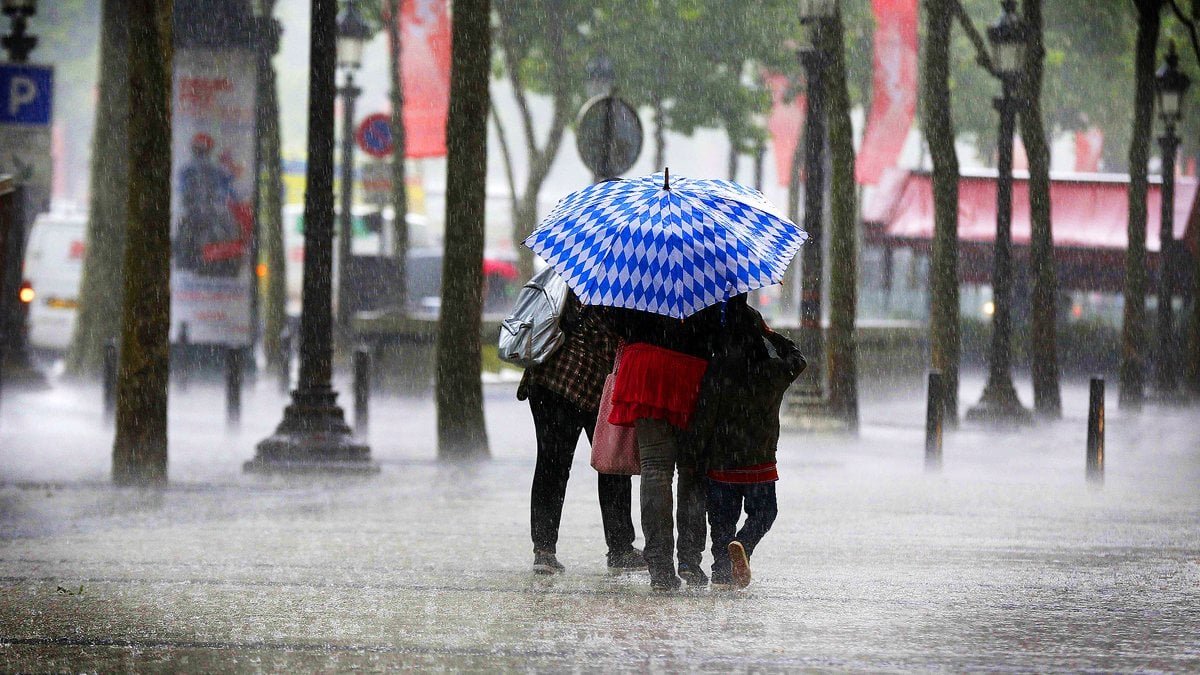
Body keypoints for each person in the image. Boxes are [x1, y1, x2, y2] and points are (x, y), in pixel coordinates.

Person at [518, 292, 645, 576]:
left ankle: (544, 550)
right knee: (611, 464)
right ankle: (620, 548)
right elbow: (610, 342)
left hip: (548, 377)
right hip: (582, 382)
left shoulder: (574, 278)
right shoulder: (618, 291)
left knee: (552, 465)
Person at [602, 303, 726, 590]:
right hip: (693, 369)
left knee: (655, 469)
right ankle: (690, 560)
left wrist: (641, 331)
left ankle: (659, 566)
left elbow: (615, 318)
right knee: (692, 472)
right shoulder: (710, 276)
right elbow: (724, 325)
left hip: (645, 364)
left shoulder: (635, 275)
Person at [687, 298, 805, 589]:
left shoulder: (716, 370)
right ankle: (744, 543)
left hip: (721, 460)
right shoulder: (773, 371)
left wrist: (697, 452)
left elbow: (704, 415)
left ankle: (721, 573)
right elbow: (798, 360)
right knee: (764, 513)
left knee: (721, 521)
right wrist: (770, 334)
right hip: (759, 460)